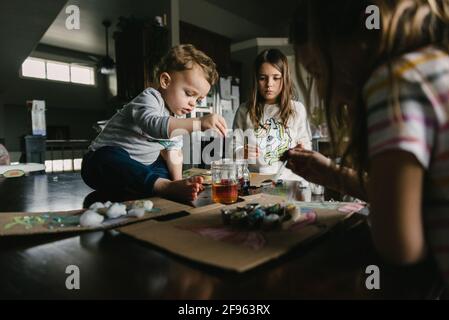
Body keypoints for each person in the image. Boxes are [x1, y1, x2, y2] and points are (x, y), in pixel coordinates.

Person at [285, 0, 449, 284]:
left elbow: (401, 247)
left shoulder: (394, 83)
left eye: (318, 72)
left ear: (351, 41)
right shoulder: (434, 64)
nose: (325, 92)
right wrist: (334, 176)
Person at [82, 44, 228, 202]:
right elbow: (154, 125)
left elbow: (173, 152)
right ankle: (161, 187)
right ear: (165, 81)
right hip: (99, 165)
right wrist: (198, 123)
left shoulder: (177, 120)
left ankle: (161, 185)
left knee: (162, 168)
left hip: (139, 170)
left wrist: (178, 183)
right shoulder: (150, 98)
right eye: (189, 94)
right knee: (107, 157)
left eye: (198, 99)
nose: (193, 103)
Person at [232, 48, 311, 181]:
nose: (269, 84)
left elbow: (307, 147)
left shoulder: (297, 109)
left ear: (284, 78)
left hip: (291, 183)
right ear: (256, 80)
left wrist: (301, 151)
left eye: (276, 78)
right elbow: (233, 147)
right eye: (263, 78)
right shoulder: (244, 110)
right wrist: (240, 152)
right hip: (255, 183)